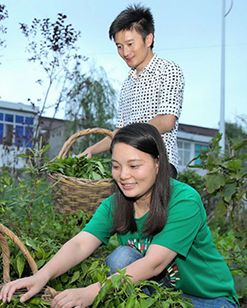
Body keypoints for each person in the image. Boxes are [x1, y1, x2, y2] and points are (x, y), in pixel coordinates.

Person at [1, 123, 242, 308]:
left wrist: (90, 292)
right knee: (122, 258)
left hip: (206, 297)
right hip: (157, 293)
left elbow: (154, 263)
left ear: (158, 163)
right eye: (116, 166)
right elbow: (80, 243)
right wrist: (42, 275)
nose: (124, 175)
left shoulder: (183, 200)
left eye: (134, 166)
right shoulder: (116, 203)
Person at [79, 5, 184, 178]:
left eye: (129, 44)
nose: (125, 52)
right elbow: (119, 131)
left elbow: (166, 120)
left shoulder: (168, 70)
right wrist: (92, 150)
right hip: (127, 167)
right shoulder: (127, 83)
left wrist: (128, 138)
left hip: (157, 164)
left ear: (148, 39)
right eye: (119, 46)